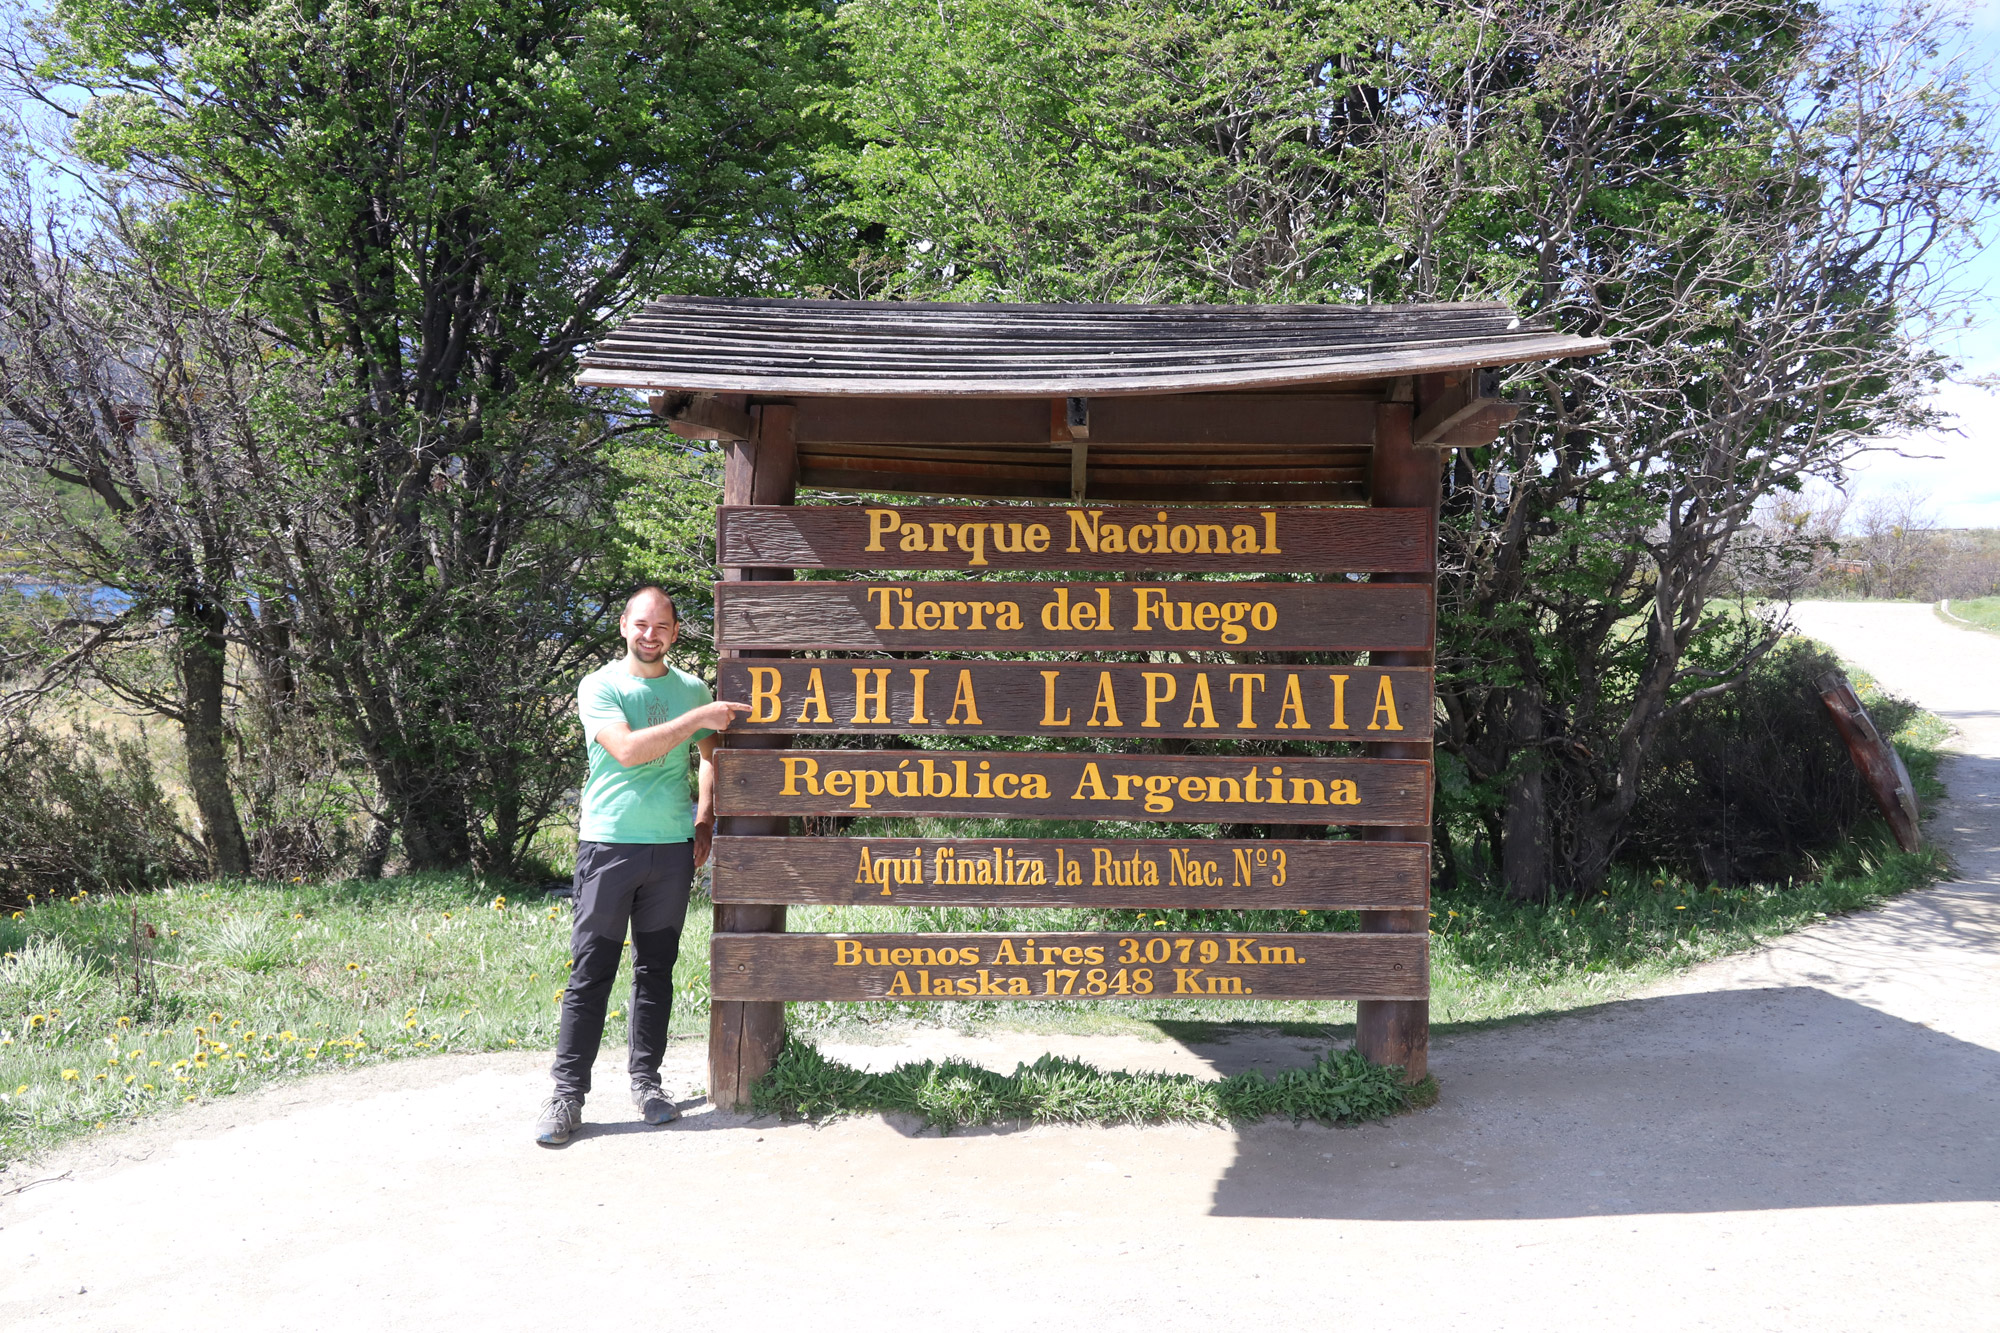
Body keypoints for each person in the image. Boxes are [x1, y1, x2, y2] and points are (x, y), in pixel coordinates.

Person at [535, 587, 750, 1146]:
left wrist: (704, 822)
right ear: (624, 627)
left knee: (656, 970)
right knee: (591, 973)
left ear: (675, 633)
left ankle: (647, 1083)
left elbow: (711, 758)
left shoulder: (690, 689)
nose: (650, 634)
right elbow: (628, 750)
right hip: (608, 846)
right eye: (641, 624)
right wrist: (701, 716)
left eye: (662, 626)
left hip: (671, 851)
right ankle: (565, 1098)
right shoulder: (601, 686)